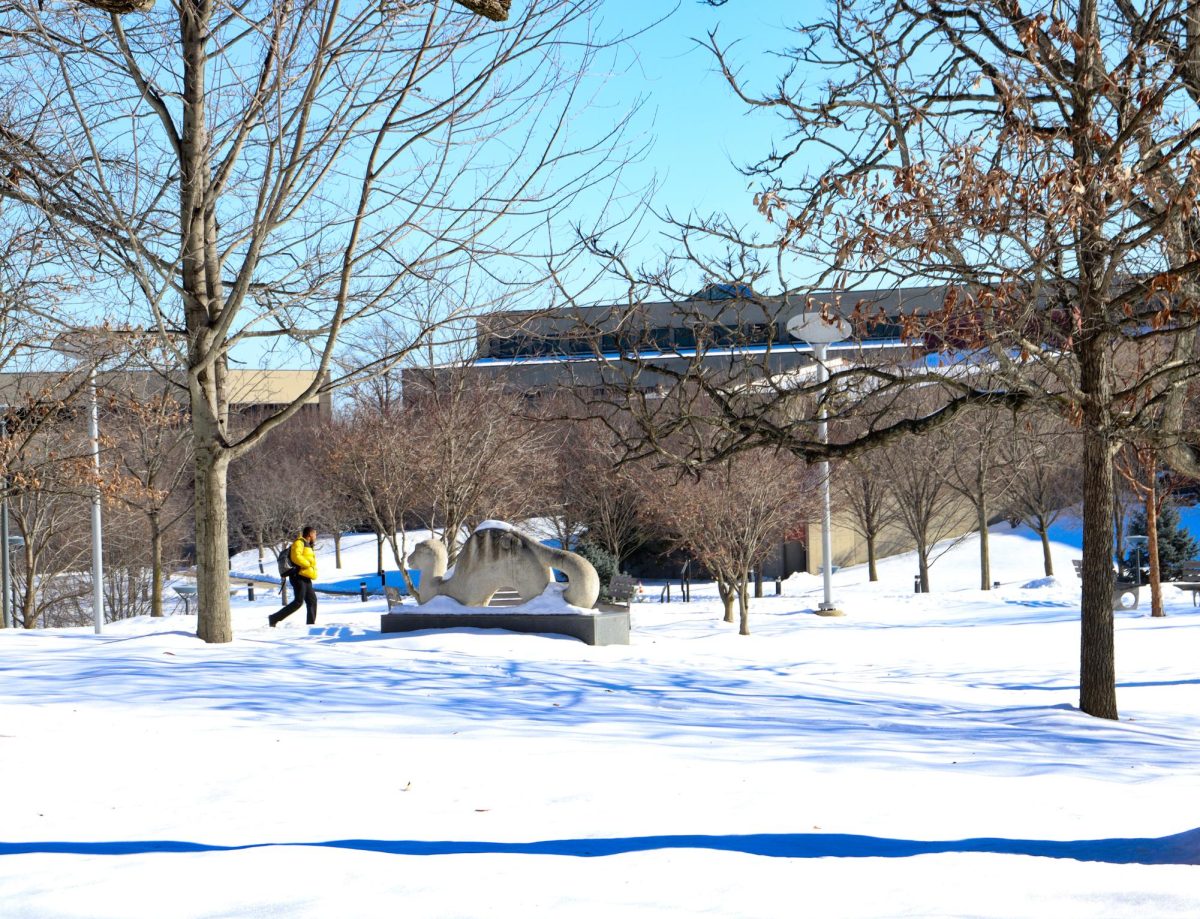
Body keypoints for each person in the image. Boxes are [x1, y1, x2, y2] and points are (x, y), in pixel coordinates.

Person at [269, 527, 318, 627]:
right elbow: (296, 557)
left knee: (312, 601)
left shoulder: (309, 545)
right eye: (315, 534)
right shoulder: (299, 542)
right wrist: (307, 564)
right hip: (297, 576)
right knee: (298, 602)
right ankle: (274, 618)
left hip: (305, 576)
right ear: (309, 535)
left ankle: (311, 625)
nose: (316, 537)